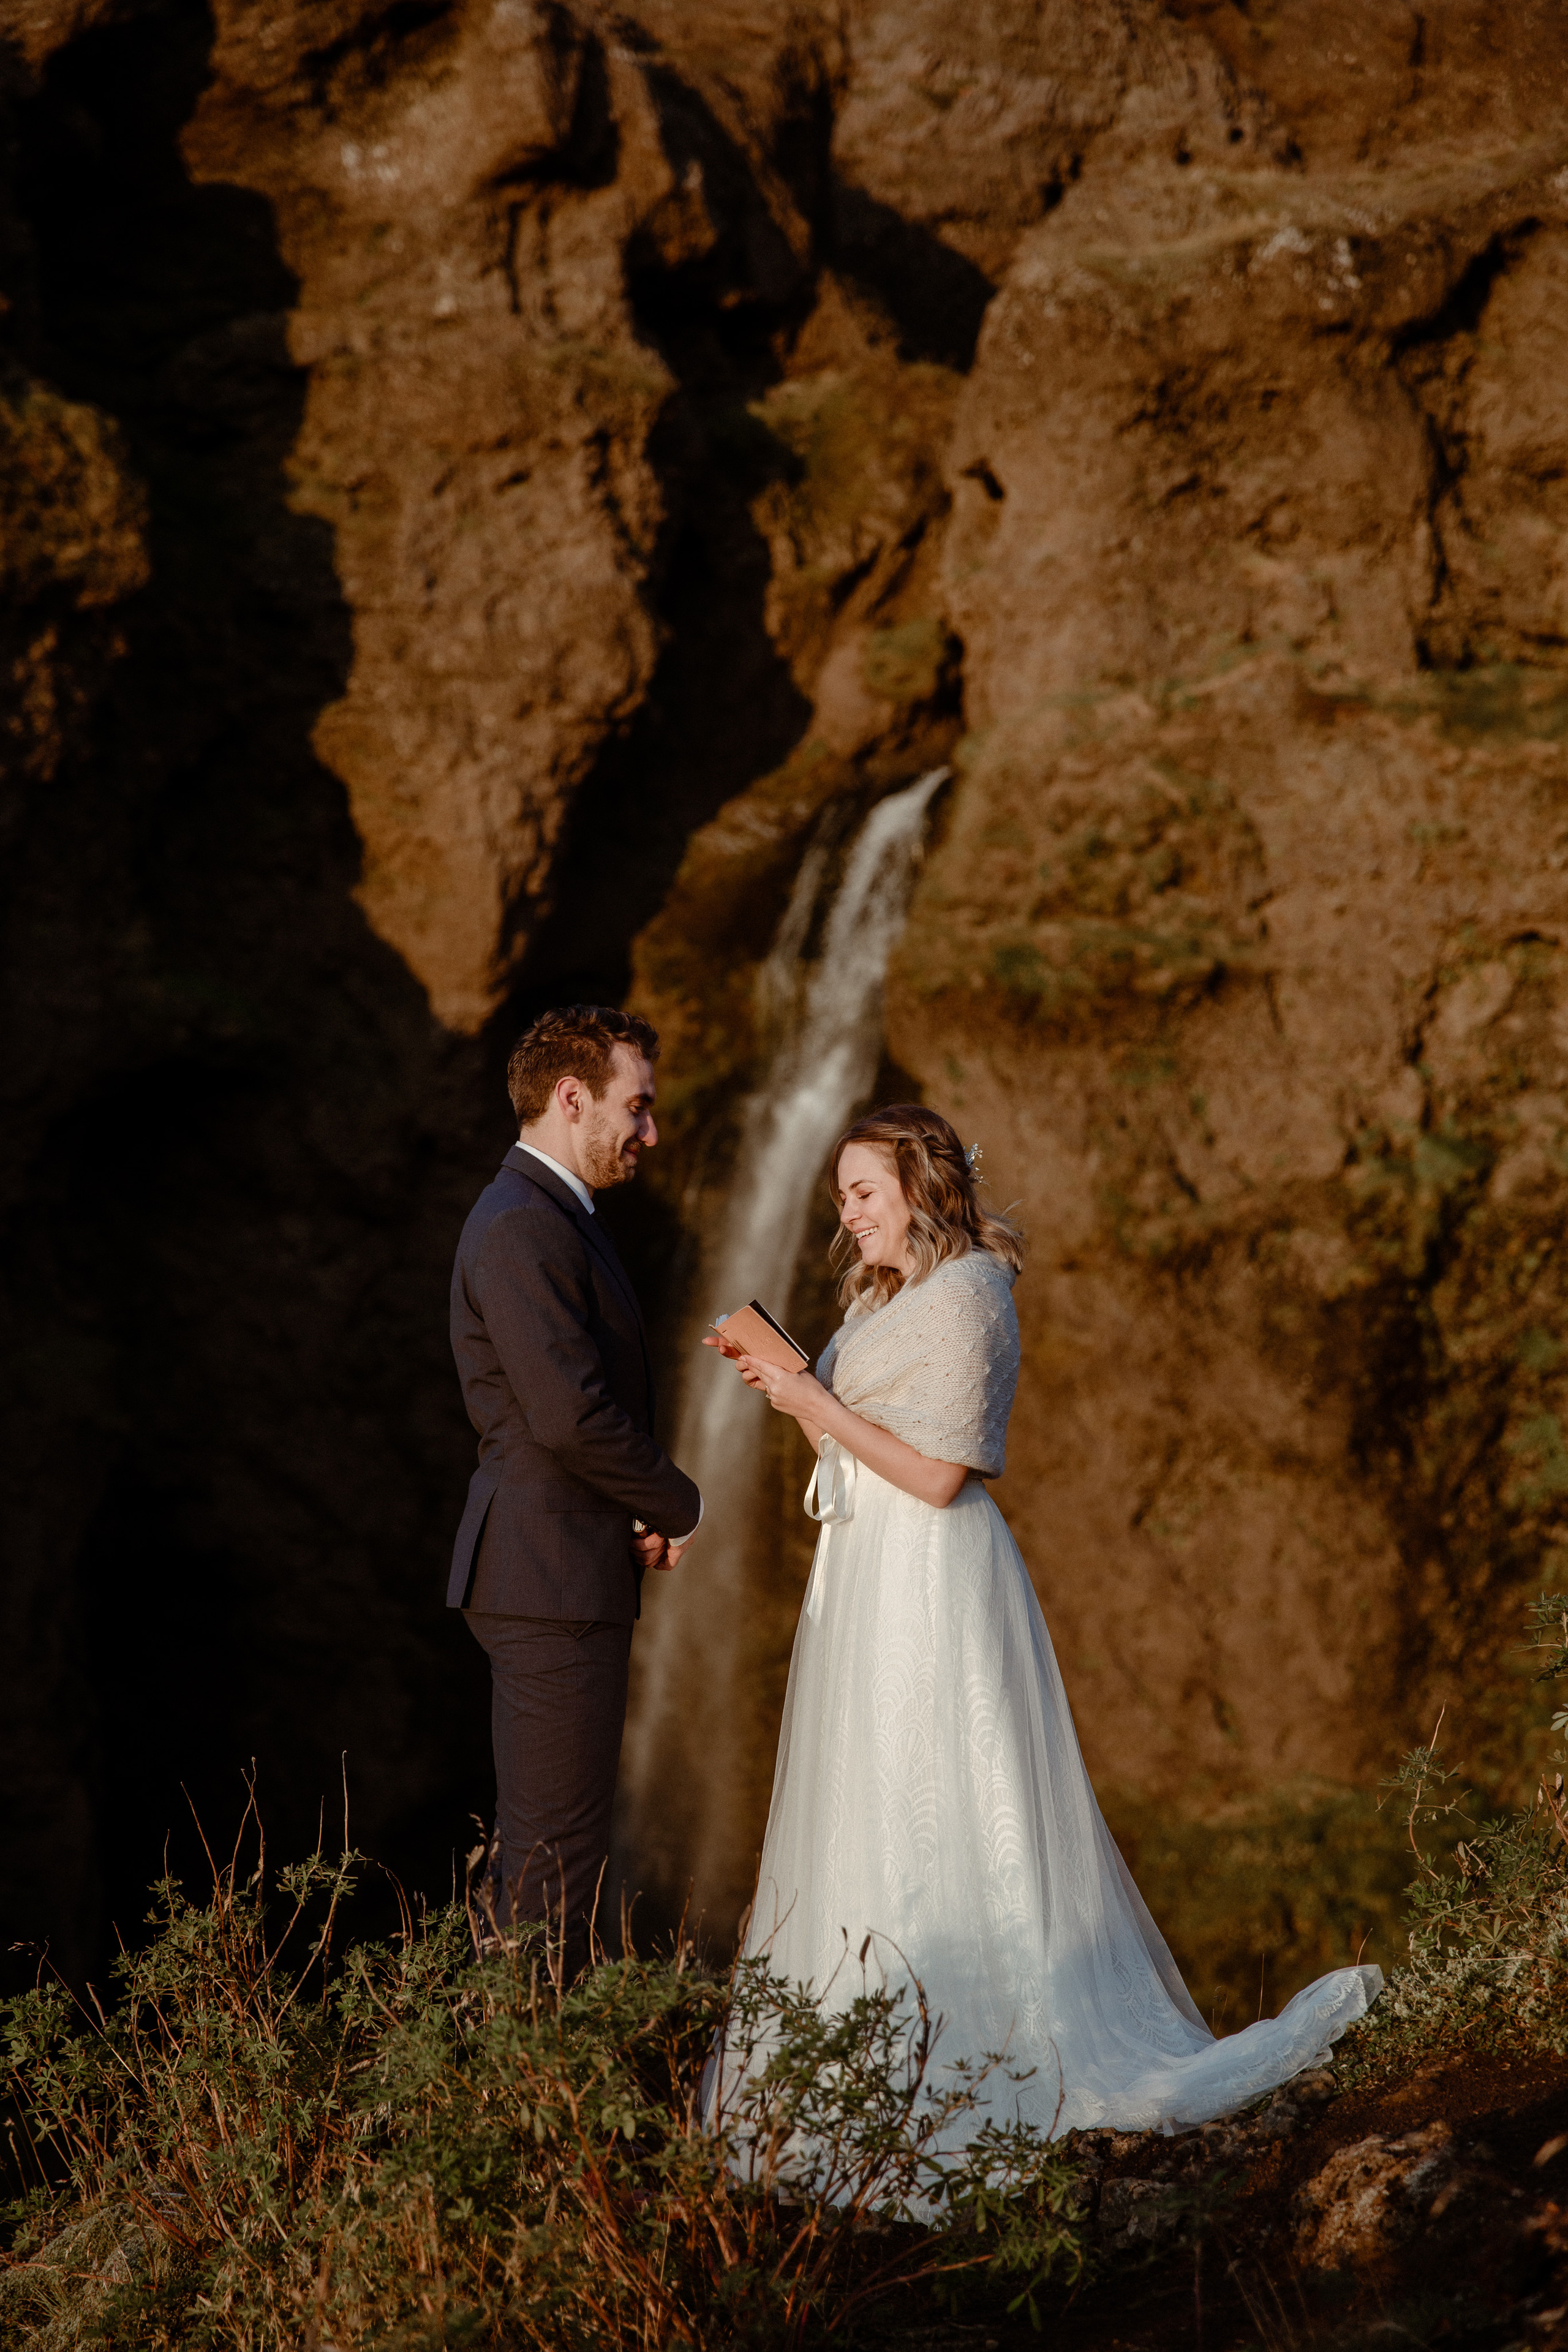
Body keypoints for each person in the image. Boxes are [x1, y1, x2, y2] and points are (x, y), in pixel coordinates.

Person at [709, 1104, 1379, 2138]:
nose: (847, 1215)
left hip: (933, 1569)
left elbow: (938, 1474)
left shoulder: (972, 1293)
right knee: (871, 1791)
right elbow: (859, 1451)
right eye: (842, 1197)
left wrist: (816, 1404)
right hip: (864, 1569)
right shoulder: (884, 1299)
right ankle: (866, 2055)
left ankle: (972, 2055)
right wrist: (796, 1394)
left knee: (943, 1788)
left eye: (863, 1193)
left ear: (922, 1192)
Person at [449, 1005, 701, 1975]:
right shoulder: (520, 1223)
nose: (650, 1132)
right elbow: (568, 1416)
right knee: (553, 1872)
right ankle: (531, 2113)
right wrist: (681, 1503)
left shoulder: (549, 1216)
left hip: (560, 1566)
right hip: (546, 1582)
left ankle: (530, 2097)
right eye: (635, 1108)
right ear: (570, 1097)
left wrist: (626, 1509)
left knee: (552, 1860)